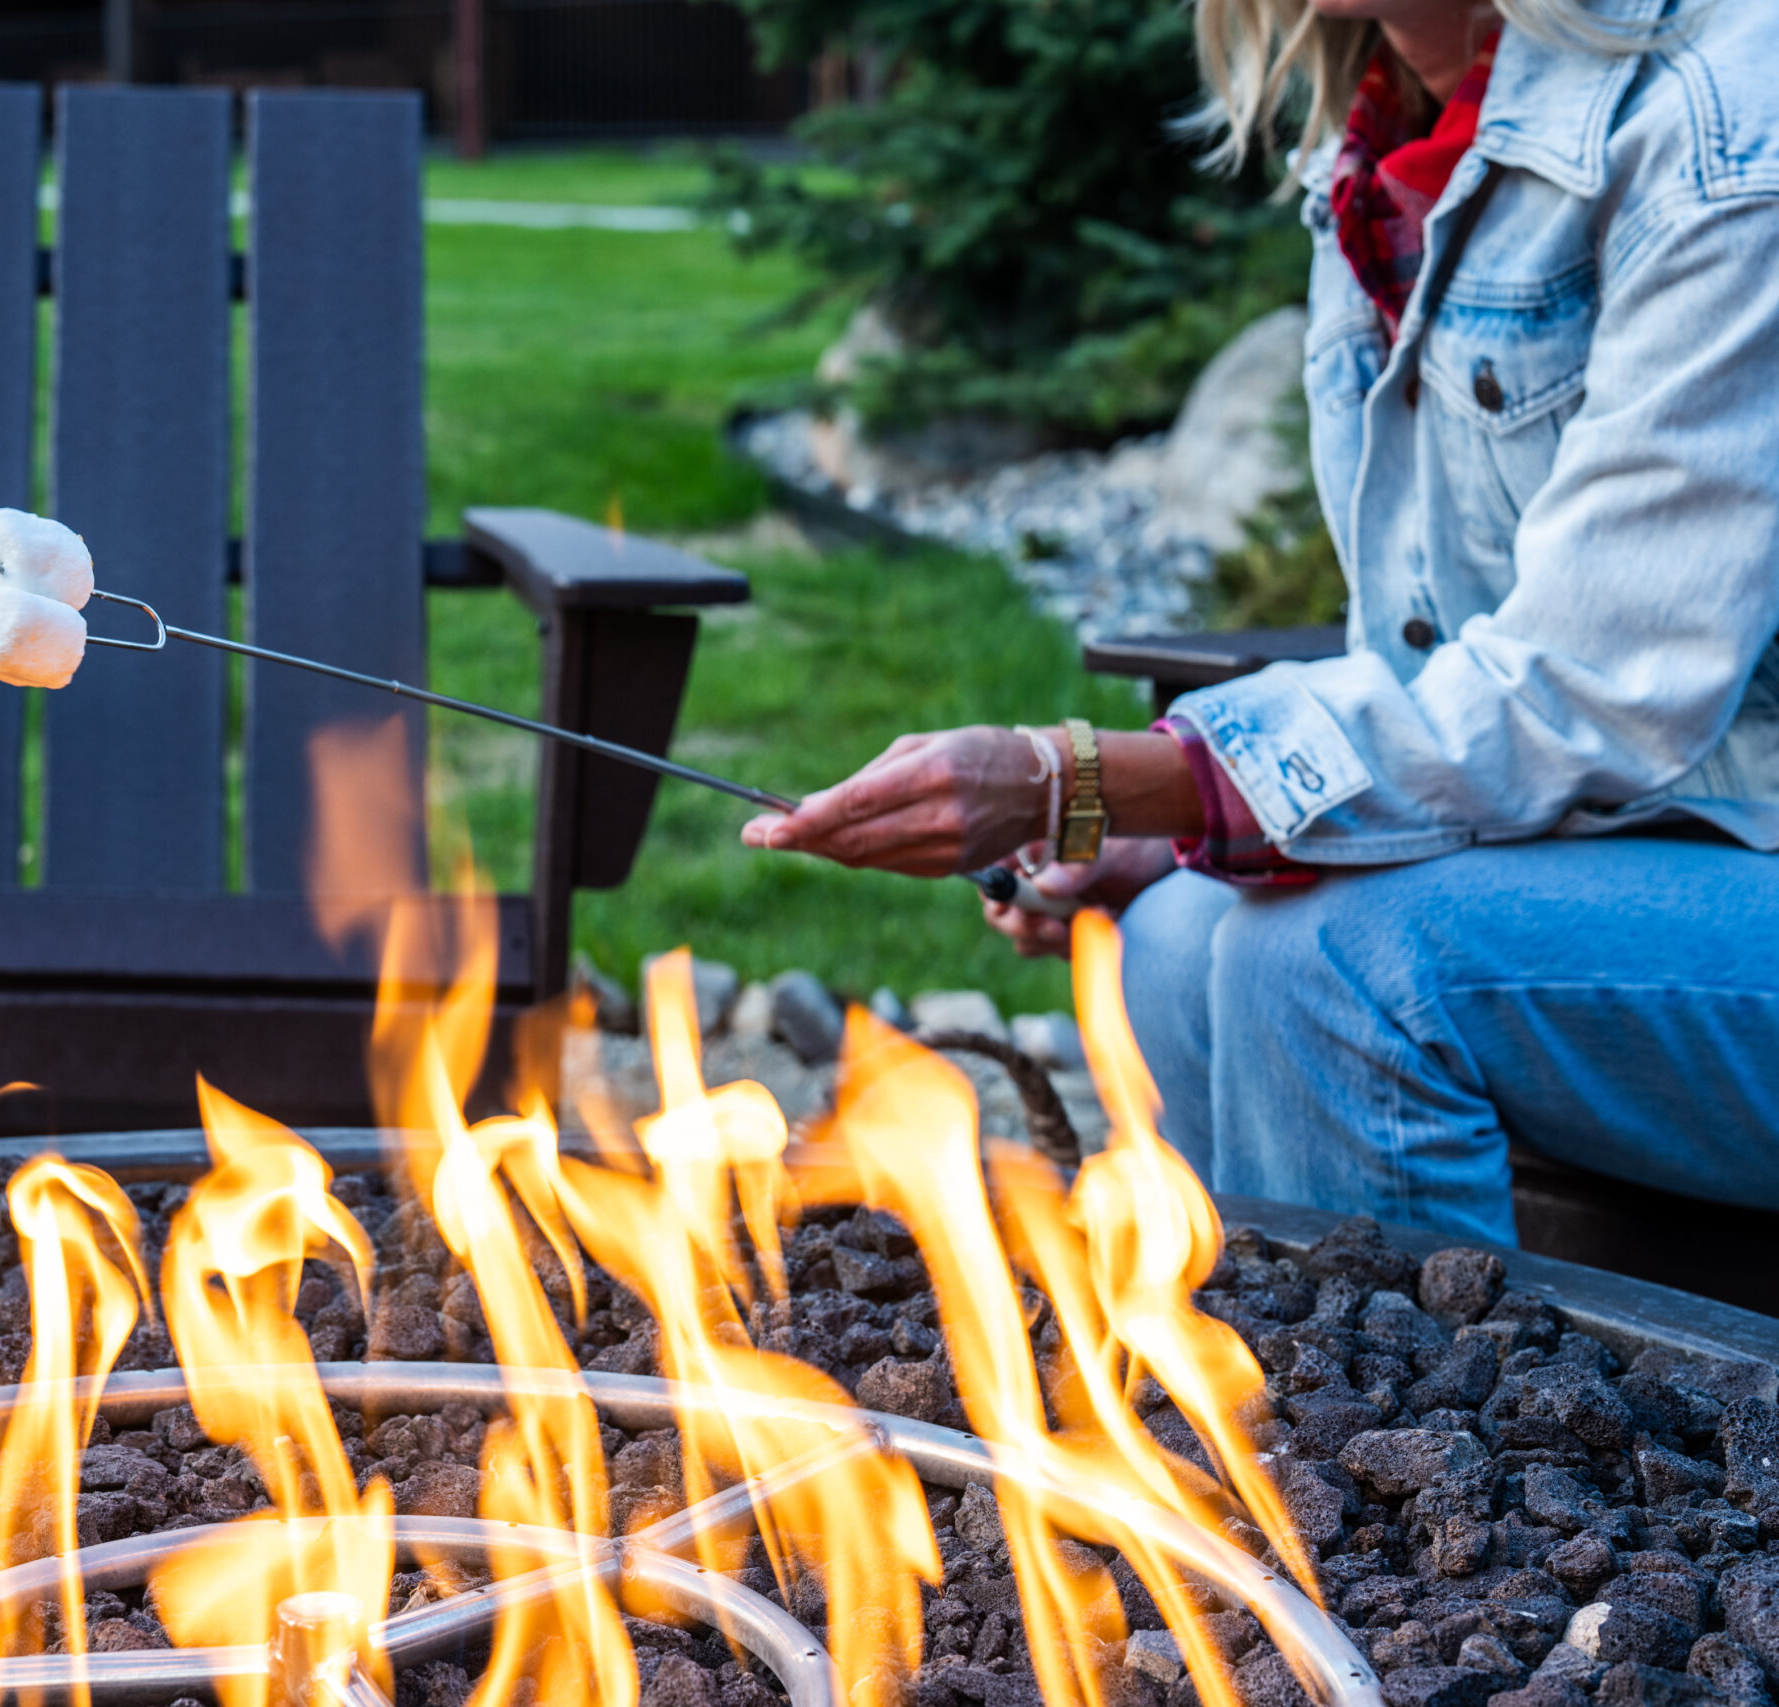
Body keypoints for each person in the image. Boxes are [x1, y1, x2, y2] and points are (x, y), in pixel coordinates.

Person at [741, 0, 1779, 1245]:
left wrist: (1090, 780)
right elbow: (1429, 652)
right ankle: (1248, 1424)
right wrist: (1180, 836)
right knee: (1178, 933)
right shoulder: (1383, 140)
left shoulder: (1730, 114)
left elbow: (1596, 678)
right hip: (1665, 846)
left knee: (1338, 964)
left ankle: (1413, 1433)